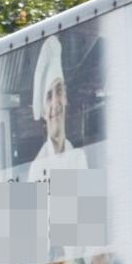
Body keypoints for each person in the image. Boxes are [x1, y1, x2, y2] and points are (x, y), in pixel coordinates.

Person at [25, 36, 89, 181]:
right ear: (43, 112)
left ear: (65, 98)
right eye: (49, 96)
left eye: (59, 91)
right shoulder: (37, 167)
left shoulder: (79, 157)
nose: (55, 103)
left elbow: (89, 204)